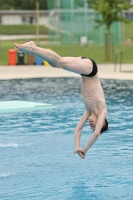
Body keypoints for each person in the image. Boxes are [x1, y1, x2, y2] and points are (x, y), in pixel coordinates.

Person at [14, 41, 108, 159]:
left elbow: (78, 129)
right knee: (59, 62)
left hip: (84, 72)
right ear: (102, 121)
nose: (92, 126)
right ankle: (32, 48)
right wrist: (85, 150)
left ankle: (32, 49)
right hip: (90, 70)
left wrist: (77, 146)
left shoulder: (89, 111)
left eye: (92, 127)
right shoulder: (102, 110)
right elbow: (96, 134)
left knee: (55, 64)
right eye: (95, 125)